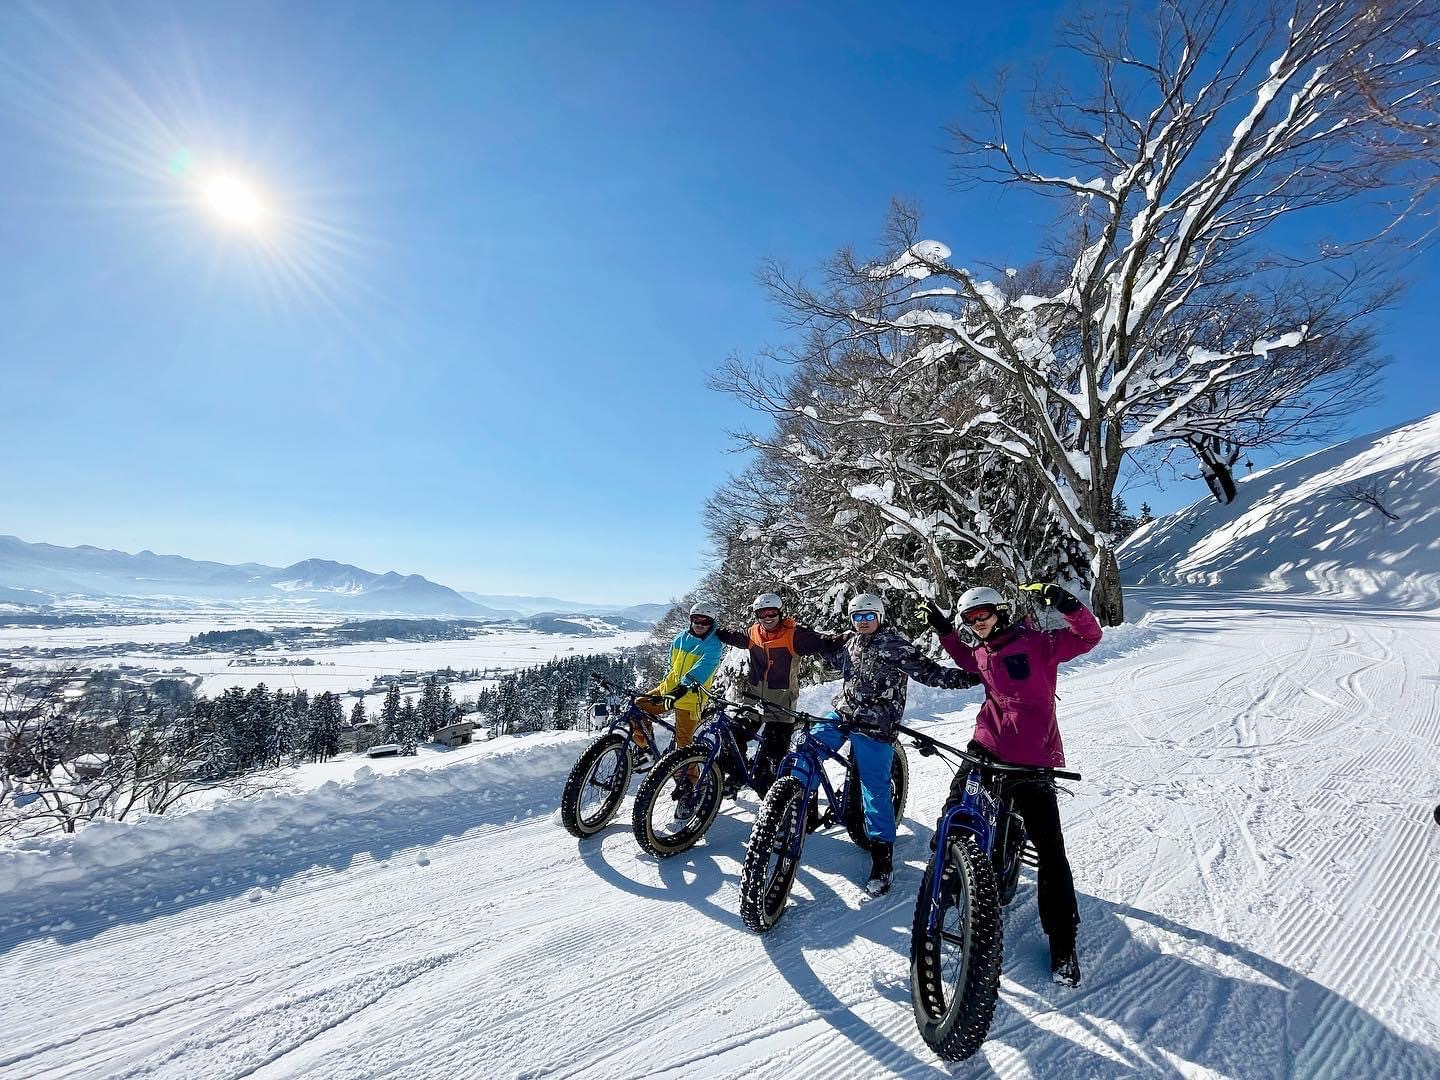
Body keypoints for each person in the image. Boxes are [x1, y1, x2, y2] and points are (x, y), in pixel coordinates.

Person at [923, 582, 1102, 987]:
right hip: (986, 746)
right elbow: (967, 659)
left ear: (999, 611)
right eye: (969, 618)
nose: (976, 623)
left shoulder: (1038, 644)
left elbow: (1089, 636)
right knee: (955, 813)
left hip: (1031, 758)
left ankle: (1062, 942)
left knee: (1050, 851)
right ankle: (949, 879)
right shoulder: (982, 649)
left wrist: (1068, 605)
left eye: (981, 614)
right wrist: (945, 630)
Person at [803, 592, 979, 897]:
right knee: (807, 750)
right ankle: (798, 806)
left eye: (869, 616)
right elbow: (829, 653)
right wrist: (807, 639)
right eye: (857, 617)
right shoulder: (851, 641)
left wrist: (972, 678)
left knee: (874, 789)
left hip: (876, 724)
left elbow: (930, 672)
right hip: (844, 712)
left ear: (880, 617)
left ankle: (882, 858)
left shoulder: (895, 645)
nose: (863, 622)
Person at [716, 592, 835, 797]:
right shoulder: (753, 633)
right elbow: (732, 636)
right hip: (754, 702)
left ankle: (776, 805)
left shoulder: (794, 635)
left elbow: (823, 641)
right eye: (762, 614)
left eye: (771, 613)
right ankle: (737, 776)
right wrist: (711, 629)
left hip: (781, 707)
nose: (767, 617)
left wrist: (849, 638)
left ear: (780, 613)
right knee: (732, 737)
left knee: (770, 764)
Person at [631, 600, 726, 773]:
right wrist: (666, 683)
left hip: (690, 698)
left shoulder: (713, 645)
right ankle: (646, 750)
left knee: (683, 748)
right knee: (638, 707)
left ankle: (690, 784)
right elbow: (671, 665)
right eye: (696, 619)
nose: (699, 624)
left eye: (705, 621)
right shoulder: (680, 638)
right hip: (668, 691)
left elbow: (703, 669)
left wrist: (681, 688)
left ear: (711, 622)